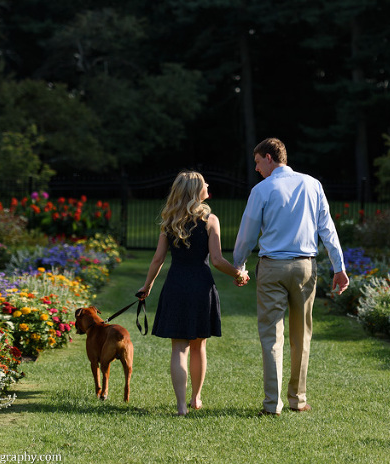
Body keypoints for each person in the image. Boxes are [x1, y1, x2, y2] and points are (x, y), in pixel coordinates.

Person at [233, 137, 349, 416]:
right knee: (302, 335)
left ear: (270, 158)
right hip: (305, 268)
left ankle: (272, 405)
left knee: (271, 337)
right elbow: (327, 229)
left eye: (258, 162)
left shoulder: (262, 189)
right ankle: (297, 399)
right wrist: (339, 267)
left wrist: (239, 265)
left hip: (272, 267)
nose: (257, 169)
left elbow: (247, 233)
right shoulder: (313, 185)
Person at [138, 171, 250, 416]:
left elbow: (157, 259)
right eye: (204, 183)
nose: (208, 185)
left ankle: (181, 406)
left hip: (176, 284)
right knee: (199, 346)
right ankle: (196, 399)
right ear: (194, 191)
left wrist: (147, 286)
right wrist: (239, 274)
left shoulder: (169, 221)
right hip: (201, 285)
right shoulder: (210, 220)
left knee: (179, 347)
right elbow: (218, 261)